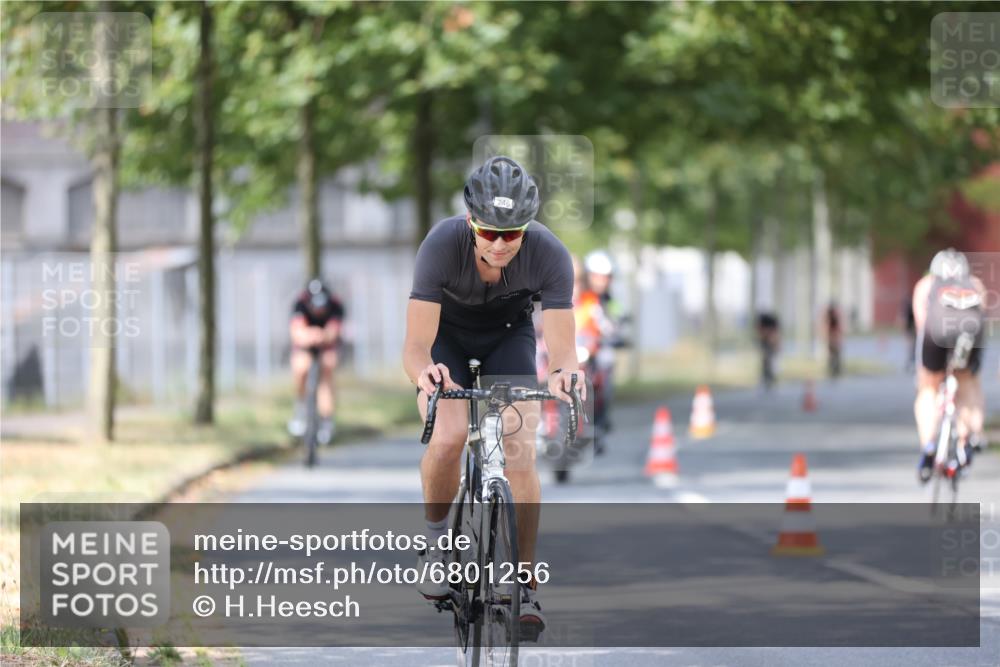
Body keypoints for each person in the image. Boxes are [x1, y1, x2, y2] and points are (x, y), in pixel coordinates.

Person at [403, 155, 584, 639]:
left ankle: (524, 581)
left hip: (509, 337)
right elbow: (416, 344)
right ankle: (437, 544)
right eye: (489, 233)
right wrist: (425, 373)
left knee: (520, 452)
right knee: (450, 434)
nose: (501, 244)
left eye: (514, 233)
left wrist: (566, 374)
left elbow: (563, 348)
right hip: (447, 343)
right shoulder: (441, 244)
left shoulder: (549, 253)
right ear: (470, 222)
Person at [913, 249, 987, 482]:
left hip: (936, 335)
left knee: (927, 388)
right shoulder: (974, 283)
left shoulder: (927, 284)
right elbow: (983, 317)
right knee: (968, 384)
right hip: (970, 334)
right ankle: (970, 436)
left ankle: (929, 445)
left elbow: (921, 323)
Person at [288, 278, 345, 446]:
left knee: (328, 367)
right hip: (305, 343)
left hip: (327, 344)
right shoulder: (300, 303)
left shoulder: (336, 305)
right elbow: (297, 332)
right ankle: (300, 409)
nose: (318, 311)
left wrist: (323, 336)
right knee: (300, 367)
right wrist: (309, 335)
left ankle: (326, 419)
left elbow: (333, 331)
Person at [756, 311, 781, 389]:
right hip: (765, 342)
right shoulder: (762, 320)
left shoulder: (773, 321)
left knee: (772, 360)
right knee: (765, 360)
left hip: (772, 342)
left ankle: (771, 378)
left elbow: (776, 333)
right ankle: (766, 377)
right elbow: (760, 331)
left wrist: (775, 342)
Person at [824, 300, 843, 378]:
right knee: (833, 354)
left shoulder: (833, 316)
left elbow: (837, 328)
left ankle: (835, 368)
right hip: (833, 337)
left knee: (834, 354)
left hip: (833, 337)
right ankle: (834, 368)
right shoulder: (832, 316)